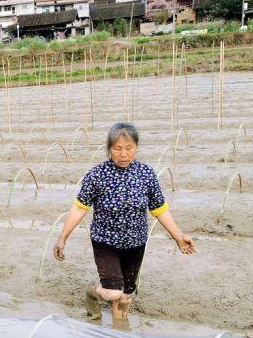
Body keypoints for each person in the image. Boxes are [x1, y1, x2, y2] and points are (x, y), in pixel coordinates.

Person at [54, 122, 195, 323]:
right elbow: (79, 207)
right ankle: (92, 294)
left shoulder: (146, 174)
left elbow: (160, 210)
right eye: (117, 148)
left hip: (135, 243)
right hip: (106, 241)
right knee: (113, 293)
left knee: (126, 296)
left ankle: (120, 331)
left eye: (129, 148)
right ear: (109, 149)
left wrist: (179, 237)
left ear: (136, 148)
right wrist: (63, 237)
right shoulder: (98, 174)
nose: (123, 154)